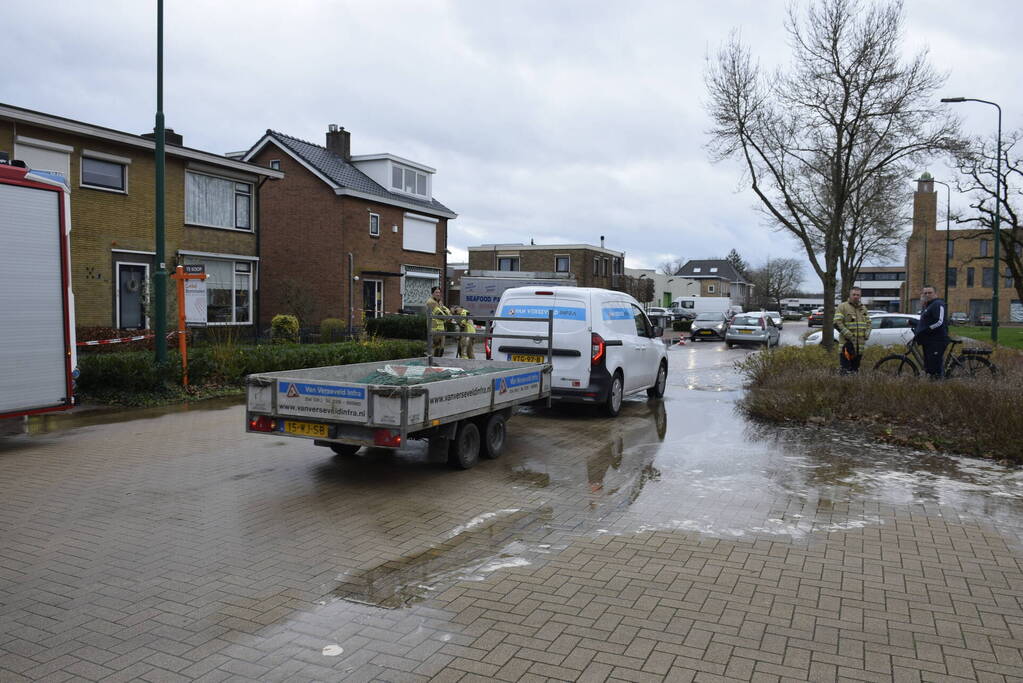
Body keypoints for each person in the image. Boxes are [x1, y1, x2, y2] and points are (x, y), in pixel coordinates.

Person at [914, 285, 949, 379]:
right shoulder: (927, 306)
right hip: (929, 341)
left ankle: (939, 385)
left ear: (935, 294)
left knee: (935, 367)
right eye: (925, 293)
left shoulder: (938, 304)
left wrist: (926, 330)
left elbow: (939, 322)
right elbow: (925, 322)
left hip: (937, 340)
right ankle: (935, 383)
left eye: (930, 292)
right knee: (930, 365)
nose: (927, 295)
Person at [834, 286, 871, 373]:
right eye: (854, 294)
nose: (856, 296)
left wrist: (867, 333)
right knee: (845, 372)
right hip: (846, 346)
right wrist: (849, 335)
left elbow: (869, 323)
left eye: (858, 295)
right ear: (850, 295)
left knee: (855, 372)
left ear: (860, 296)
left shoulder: (863, 308)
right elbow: (836, 322)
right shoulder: (842, 307)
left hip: (859, 348)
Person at [425, 286, 450, 356]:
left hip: (441, 329)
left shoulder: (438, 302)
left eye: (439, 292)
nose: (438, 294)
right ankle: (432, 363)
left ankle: (437, 363)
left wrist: (445, 312)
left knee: (441, 349)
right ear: (432, 293)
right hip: (434, 329)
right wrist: (446, 315)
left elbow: (448, 312)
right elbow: (441, 316)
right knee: (436, 348)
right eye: (436, 292)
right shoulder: (431, 302)